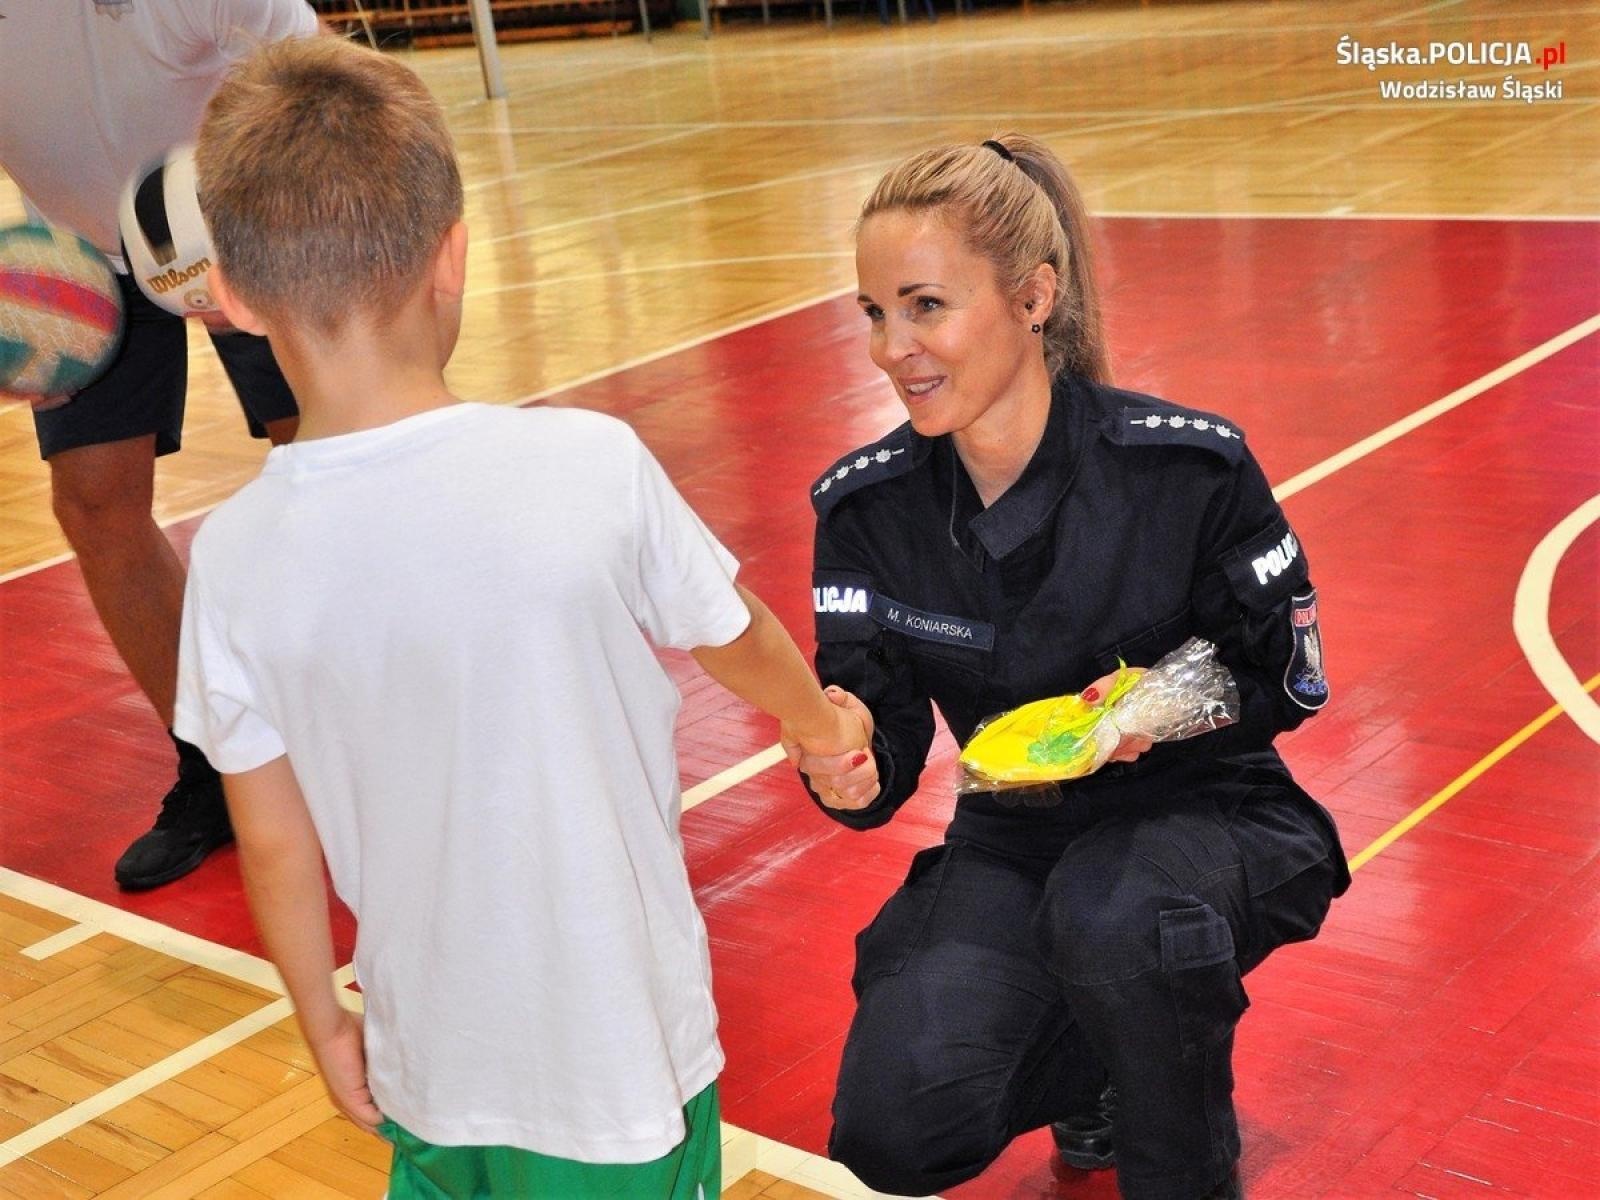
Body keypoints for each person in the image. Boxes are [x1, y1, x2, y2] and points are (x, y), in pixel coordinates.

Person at [174, 37, 868, 1198]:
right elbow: (733, 630)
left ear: (231, 297)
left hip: (430, 1067)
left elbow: (275, 839)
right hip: (616, 1073)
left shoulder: (233, 560)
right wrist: (819, 723)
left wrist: (322, 1017)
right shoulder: (590, 466)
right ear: (453, 255)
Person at [786, 134, 1350, 1200]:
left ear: (1035, 296)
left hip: (1209, 814)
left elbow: (1286, 675)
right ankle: (1102, 1055)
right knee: (894, 1128)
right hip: (1014, 839)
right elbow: (885, 730)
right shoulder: (868, 512)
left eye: (924, 306)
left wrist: (1162, 704)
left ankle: (1179, 1140)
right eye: (871, 312)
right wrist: (852, 760)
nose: (888, 347)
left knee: (1120, 917)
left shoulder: (1186, 469)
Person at [0, 0, 319, 889]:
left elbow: (322, 83)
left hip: (245, 218)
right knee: (95, 503)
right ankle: (217, 764)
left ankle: (378, 732)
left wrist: (277, 221)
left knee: (327, 464)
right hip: (80, 255)